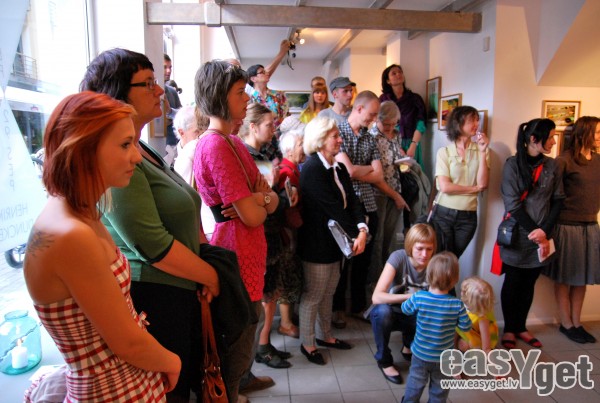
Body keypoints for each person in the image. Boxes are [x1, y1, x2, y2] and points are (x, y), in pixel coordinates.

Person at [80, 48, 220, 403]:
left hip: (176, 289)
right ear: (117, 93)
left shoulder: (142, 150)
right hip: (155, 296)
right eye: (148, 83)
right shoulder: (116, 157)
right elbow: (151, 244)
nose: (160, 90)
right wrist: (209, 274)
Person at [23, 91, 181, 402]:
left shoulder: (80, 211)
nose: (136, 157)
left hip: (124, 383)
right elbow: (128, 344)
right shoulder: (71, 234)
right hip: (113, 391)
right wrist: (173, 362)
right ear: (84, 149)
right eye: (125, 145)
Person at [193, 60, 279, 400]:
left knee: (244, 344)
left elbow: (271, 201)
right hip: (235, 254)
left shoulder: (233, 142)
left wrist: (260, 198)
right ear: (219, 96)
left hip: (247, 249)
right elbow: (255, 216)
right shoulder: (215, 144)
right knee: (235, 354)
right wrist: (260, 200)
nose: (247, 99)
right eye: (240, 92)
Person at [297, 116, 367, 365]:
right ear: (320, 139)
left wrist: (362, 228)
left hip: (337, 242)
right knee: (314, 295)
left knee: (329, 292)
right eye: (335, 136)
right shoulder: (313, 169)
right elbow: (334, 209)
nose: (340, 140)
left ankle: (325, 335)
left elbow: (353, 202)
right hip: (317, 243)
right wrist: (358, 234)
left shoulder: (338, 167)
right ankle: (308, 344)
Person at [333, 91, 408, 324]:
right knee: (343, 261)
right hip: (346, 205)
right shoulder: (338, 133)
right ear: (359, 109)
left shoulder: (369, 137)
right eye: (373, 114)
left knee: (364, 261)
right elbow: (348, 172)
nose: (374, 120)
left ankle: (358, 306)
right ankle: (337, 309)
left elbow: (379, 175)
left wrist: (358, 170)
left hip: (368, 204)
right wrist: (363, 169)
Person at [499, 118, 564, 349]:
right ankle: (509, 329)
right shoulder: (512, 165)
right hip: (517, 235)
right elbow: (513, 205)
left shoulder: (552, 165)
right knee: (513, 281)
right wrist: (535, 232)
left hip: (543, 237)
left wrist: (544, 232)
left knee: (529, 282)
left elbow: (558, 199)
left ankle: (521, 327)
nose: (554, 141)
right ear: (534, 139)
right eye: (551, 137)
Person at [238, 102, 294, 369]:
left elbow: (270, 197)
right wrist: (278, 196)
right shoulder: (249, 157)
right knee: (264, 295)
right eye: (269, 125)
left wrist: (279, 195)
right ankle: (261, 347)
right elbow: (263, 201)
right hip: (261, 232)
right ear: (252, 126)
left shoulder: (258, 154)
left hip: (269, 231)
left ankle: (264, 343)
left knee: (269, 292)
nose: (274, 129)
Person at [543, 116, 600, 344]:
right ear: (584, 133)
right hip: (567, 226)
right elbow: (550, 195)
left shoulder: (598, 160)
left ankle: (577, 322)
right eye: (597, 132)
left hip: (590, 226)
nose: (599, 137)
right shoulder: (564, 161)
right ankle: (566, 323)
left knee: (581, 278)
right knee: (565, 277)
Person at [369, 223, 437, 384]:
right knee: (382, 312)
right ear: (410, 246)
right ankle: (384, 361)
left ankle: (409, 346)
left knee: (431, 312)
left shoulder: (436, 264)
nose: (424, 254)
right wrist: (412, 297)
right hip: (392, 312)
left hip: (416, 314)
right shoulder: (398, 257)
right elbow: (376, 297)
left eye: (429, 249)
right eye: (420, 248)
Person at [401, 251, 471, 403]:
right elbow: (466, 327)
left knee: (415, 383)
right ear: (455, 279)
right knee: (440, 389)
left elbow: (405, 309)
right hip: (444, 357)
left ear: (428, 275)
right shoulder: (457, 304)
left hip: (420, 353)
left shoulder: (419, 297)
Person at [433, 105, 490, 258]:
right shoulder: (444, 152)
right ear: (458, 123)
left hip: (468, 217)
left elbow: (483, 184)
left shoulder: (482, 150)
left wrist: (483, 152)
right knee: (441, 259)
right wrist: (474, 189)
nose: (476, 124)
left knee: (452, 259)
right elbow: (445, 187)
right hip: (443, 213)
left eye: (477, 120)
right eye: (472, 120)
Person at [369, 100, 411, 281]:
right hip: (377, 193)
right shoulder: (371, 137)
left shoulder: (396, 135)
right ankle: (374, 281)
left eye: (394, 124)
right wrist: (396, 196)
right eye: (387, 124)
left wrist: (404, 163)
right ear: (377, 119)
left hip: (395, 189)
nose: (390, 128)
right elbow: (374, 174)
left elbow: (396, 159)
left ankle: (388, 278)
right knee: (377, 240)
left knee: (390, 239)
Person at [276, 129, 306, 338]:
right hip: (287, 232)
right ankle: (285, 323)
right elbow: (287, 208)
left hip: (289, 231)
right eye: (300, 144)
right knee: (287, 275)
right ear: (289, 150)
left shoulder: (293, 169)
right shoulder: (287, 172)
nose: (304, 148)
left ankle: (289, 319)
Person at [379, 64, 426, 167]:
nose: (398, 74)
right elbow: (380, 123)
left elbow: (421, 123)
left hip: (412, 142)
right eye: (394, 73)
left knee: (414, 172)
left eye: (400, 72)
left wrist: (413, 145)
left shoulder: (415, 98)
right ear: (388, 80)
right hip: (390, 142)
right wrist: (397, 147)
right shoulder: (383, 100)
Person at [457, 277, 498, 352]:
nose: (461, 293)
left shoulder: (483, 319)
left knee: (463, 345)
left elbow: (486, 342)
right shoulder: (473, 306)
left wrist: (486, 351)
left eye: (463, 292)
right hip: (471, 329)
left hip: (481, 337)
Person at [247, 64, 289, 129]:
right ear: (253, 79)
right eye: (262, 72)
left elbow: (286, 116)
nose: (267, 73)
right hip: (258, 133)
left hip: (281, 132)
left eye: (265, 71)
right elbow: (249, 121)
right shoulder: (249, 100)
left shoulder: (279, 95)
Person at [172, 105, 203, 185]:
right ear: (182, 133)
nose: (202, 136)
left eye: (203, 131)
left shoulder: (206, 152)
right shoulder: (169, 162)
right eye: (197, 132)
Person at [163, 54, 183, 166]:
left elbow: (182, 117)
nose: (168, 70)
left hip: (174, 142)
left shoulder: (172, 92)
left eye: (170, 67)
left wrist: (170, 112)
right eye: (165, 67)